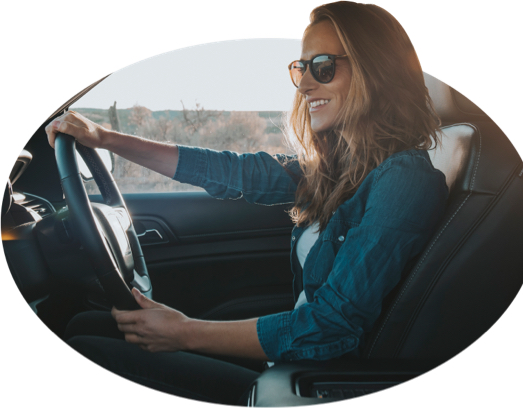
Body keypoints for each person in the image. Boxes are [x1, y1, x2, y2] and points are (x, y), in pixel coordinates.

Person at [45, 1, 448, 405]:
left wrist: (182, 330)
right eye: (301, 67)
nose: (305, 84)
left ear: (375, 72)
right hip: (290, 362)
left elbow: (330, 327)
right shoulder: (338, 170)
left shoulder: (405, 180)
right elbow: (233, 172)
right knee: (86, 323)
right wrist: (106, 139)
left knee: (86, 349)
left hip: (318, 381)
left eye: (323, 66)